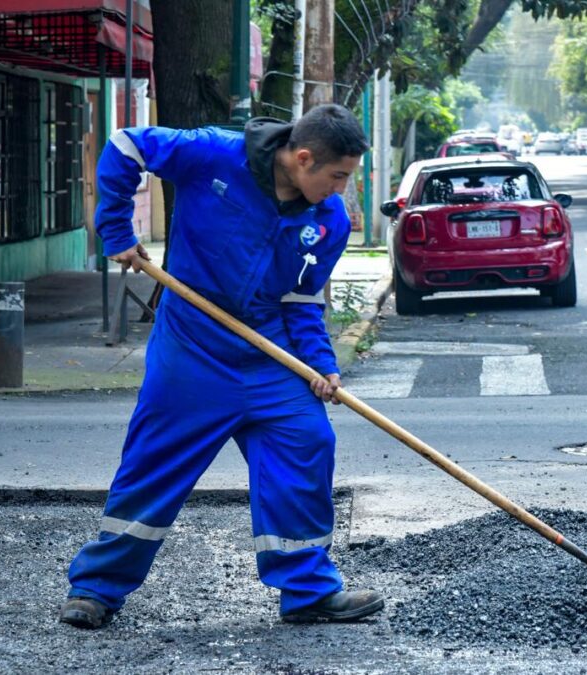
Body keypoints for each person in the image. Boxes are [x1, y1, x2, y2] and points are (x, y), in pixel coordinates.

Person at [59, 104, 384, 629]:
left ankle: (307, 592)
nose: (342, 190)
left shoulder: (328, 221)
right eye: (339, 176)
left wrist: (320, 366)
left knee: (307, 441)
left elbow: (301, 303)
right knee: (155, 464)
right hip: (193, 347)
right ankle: (96, 590)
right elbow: (126, 145)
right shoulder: (212, 153)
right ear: (303, 159)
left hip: (270, 354)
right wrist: (115, 230)